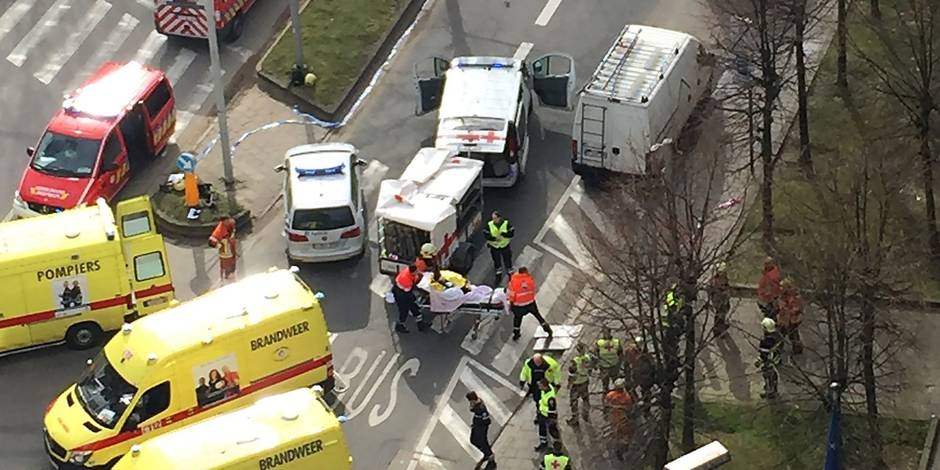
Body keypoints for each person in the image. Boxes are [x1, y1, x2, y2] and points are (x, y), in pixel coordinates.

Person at [507, 267, 552, 341]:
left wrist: (511, 305)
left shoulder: (513, 281)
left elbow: (511, 295)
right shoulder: (530, 280)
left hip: (519, 305)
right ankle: (547, 329)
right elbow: (533, 290)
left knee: (517, 320)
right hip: (530, 303)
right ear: (525, 272)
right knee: (538, 316)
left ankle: (516, 334)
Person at [520, 353, 560, 420]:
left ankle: (550, 415)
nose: (537, 365)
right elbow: (524, 371)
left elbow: (556, 373)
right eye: (536, 362)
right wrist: (522, 380)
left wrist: (557, 383)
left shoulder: (551, 363)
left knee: (548, 400)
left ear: (542, 359)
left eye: (539, 362)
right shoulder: (529, 363)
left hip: (546, 385)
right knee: (537, 400)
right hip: (534, 385)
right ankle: (539, 413)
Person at [603, 378, 635, 462]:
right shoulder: (627, 397)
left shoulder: (610, 395)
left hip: (613, 417)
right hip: (623, 419)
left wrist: (605, 414)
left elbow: (606, 405)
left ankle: (618, 447)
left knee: (617, 434)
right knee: (625, 435)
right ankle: (622, 449)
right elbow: (630, 408)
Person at [393, 264, 428, 333]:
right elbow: (408, 290)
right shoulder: (406, 280)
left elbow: (415, 277)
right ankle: (400, 325)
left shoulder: (408, 271)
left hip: (403, 291)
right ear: (412, 272)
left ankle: (420, 323)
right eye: (416, 271)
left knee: (414, 306)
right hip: (401, 294)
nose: (417, 272)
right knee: (404, 310)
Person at [466, 391, 496, 468]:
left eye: (470, 401)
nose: (470, 403)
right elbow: (471, 409)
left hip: (481, 427)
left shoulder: (480, 408)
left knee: (482, 441)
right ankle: (486, 453)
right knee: (473, 440)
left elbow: (486, 419)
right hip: (476, 426)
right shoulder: (477, 404)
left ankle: (490, 457)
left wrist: (479, 426)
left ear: (472, 400)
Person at [566, 343, 592, 426]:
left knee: (574, 401)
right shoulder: (588, 358)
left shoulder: (575, 361)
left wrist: (569, 384)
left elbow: (572, 374)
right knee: (585, 399)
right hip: (585, 381)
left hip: (576, 384)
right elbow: (590, 369)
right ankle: (586, 414)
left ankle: (575, 419)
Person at [757, 317, 783, 399]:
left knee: (768, 376)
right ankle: (773, 389)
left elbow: (764, 354)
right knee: (773, 376)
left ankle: (770, 392)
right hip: (776, 359)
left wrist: (759, 361)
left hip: (769, 361)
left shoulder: (765, 341)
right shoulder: (778, 336)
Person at [777, 277, 804, 354]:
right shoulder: (783, 296)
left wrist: (789, 311)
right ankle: (779, 347)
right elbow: (781, 305)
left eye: (782, 287)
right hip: (784, 319)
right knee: (781, 334)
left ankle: (797, 348)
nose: (781, 288)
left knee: (793, 334)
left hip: (793, 319)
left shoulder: (796, 296)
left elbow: (797, 308)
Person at [485, 211, 514, 280]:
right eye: (493, 218)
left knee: (507, 259)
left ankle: (509, 271)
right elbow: (486, 235)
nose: (494, 220)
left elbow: (511, 233)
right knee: (496, 260)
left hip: (505, 246)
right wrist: (494, 239)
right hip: (494, 247)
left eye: (495, 218)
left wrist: (504, 234)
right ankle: (498, 272)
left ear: (499, 218)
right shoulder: (489, 225)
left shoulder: (506, 224)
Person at [209, 216, 237, 283]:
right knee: (226, 263)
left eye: (228, 220)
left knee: (233, 259)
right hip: (225, 249)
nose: (228, 222)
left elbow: (233, 231)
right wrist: (220, 246)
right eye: (226, 221)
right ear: (223, 221)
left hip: (231, 245)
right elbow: (211, 241)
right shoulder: (219, 230)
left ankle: (232, 273)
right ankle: (227, 276)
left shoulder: (231, 223)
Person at [707, 262, 732, 336]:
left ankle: (720, 327)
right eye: (721, 272)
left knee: (724, 312)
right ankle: (718, 330)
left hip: (724, 300)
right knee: (719, 315)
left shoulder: (725, 279)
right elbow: (709, 288)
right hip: (718, 300)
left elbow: (727, 288)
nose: (723, 273)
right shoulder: (714, 280)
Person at [535, 379, 559, 451]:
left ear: (544, 386)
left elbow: (552, 410)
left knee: (552, 430)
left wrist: (551, 420)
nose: (539, 387)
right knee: (542, 429)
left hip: (548, 417)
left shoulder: (550, 398)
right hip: (542, 414)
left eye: (540, 386)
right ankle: (543, 443)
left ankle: (556, 445)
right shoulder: (545, 390)